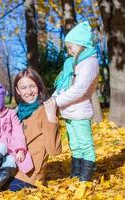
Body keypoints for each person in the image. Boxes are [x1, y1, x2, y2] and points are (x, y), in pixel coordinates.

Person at [52, 21, 99, 181]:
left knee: (85, 143)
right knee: (74, 143)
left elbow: (79, 89)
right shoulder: (74, 64)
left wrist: (57, 101)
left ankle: (87, 174)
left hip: (80, 111)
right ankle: (77, 170)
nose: (69, 51)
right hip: (70, 112)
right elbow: (63, 86)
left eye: (71, 47)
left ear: (81, 44)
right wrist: (52, 99)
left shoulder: (89, 63)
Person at [12, 67, 62, 188]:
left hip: (26, 178)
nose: (28, 92)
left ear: (39, 86)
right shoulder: (18, 112)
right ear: (17, 91)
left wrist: (51, 119)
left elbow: (54, 151)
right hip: (10, 168)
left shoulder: (43, 111)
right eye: (23, 88)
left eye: (32, 86)